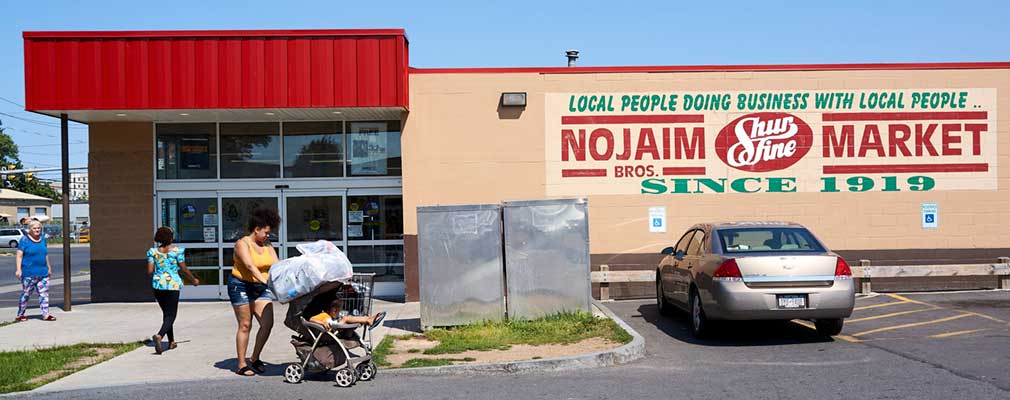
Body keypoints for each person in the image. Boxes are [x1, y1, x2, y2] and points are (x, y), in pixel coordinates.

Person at [228, 208, 280, 376]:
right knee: (245, 325)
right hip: (241, 285)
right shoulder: (242, 244)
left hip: (260, 288)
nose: (267, 236)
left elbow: (277, 265)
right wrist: (265, 281)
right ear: (256, 229)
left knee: (267, 324)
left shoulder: (268, 245)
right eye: (265, 232)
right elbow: (250, 266)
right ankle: (241, 364)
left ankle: (255, 358)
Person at [146, 227, 200, 354]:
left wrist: (160, 273)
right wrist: (193, 280)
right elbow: (183, 269)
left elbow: (149, 271)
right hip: (172, 285)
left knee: (166, 314)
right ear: (170, 237)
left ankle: (171, 342)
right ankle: (159, 336)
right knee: (171, 315)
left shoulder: (152, 252)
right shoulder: (177, 251)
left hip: (158, 285)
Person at [15, 220, 53, 321]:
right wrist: (18, 270)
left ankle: (46, 314)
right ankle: (20, 314)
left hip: (42, 272)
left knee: (44, 294)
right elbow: (19, 255)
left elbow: (45, 254)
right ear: (30, 229)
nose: (37, 230)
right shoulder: (24, 240)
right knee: (26, 294)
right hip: (28, 273)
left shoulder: (43, 240)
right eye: (34, 228)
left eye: (38, 228)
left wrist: (49, 267)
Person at [309, 297, 386, 332]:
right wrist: (322, 323)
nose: (338, 313)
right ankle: (369, 320)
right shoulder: (324, 315)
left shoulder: (331, 316)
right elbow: (311, 319)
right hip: (333, 330)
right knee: (346, 318)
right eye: (337, 311)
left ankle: (368, 318)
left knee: (348, 317)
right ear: (332, 310)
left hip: (336, 327)